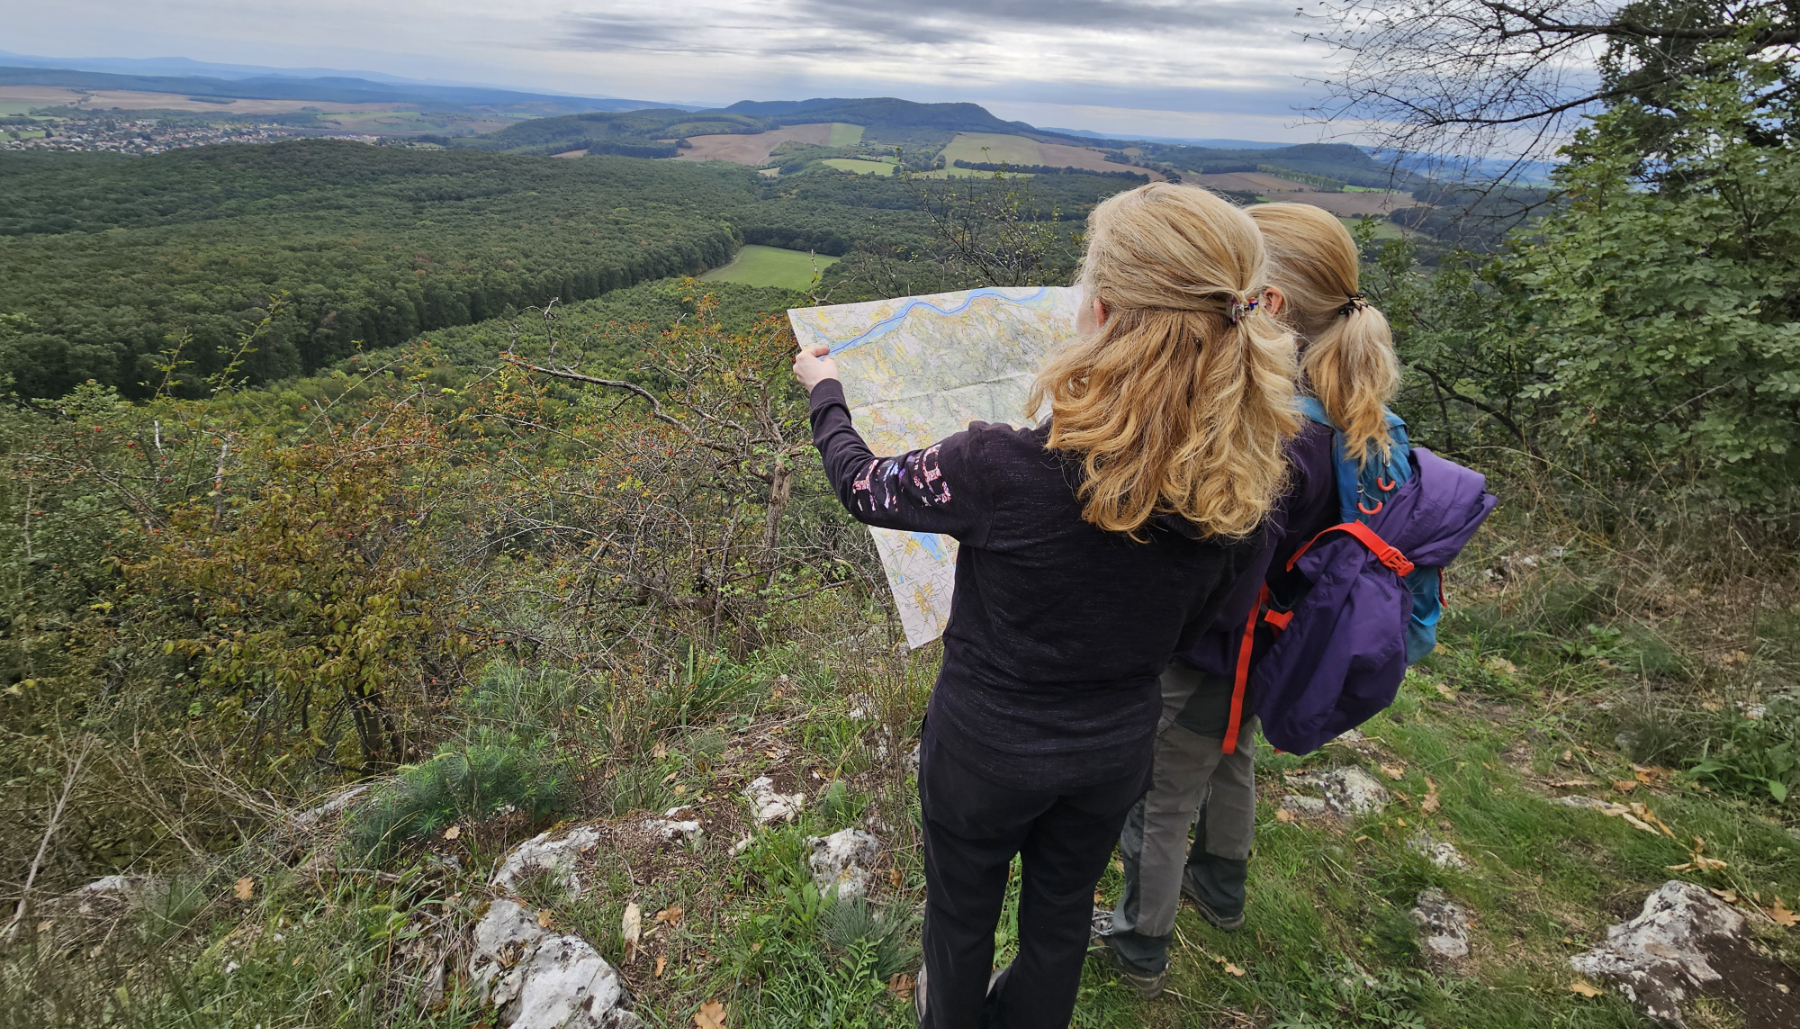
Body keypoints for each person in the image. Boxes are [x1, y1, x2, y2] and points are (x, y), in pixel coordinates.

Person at [791, 183, 1301, 1029]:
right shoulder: (1240, 494)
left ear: (1101, 314)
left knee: (960, 919)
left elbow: (863, 485)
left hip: (983, 751)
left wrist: (826, 389)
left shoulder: (998, 468)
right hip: (1112, 752)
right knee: (1060, 918)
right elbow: (1194, 626)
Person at [1095, 202, 1403, 997]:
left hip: (1210, 649)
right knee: (1231, 754)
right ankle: (1221, 887)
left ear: (1271, 303)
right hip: (1270, 643)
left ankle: (1139, 943)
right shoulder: (1343, 413)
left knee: (1161, 797)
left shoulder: (1279, 433)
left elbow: (1212, 551)